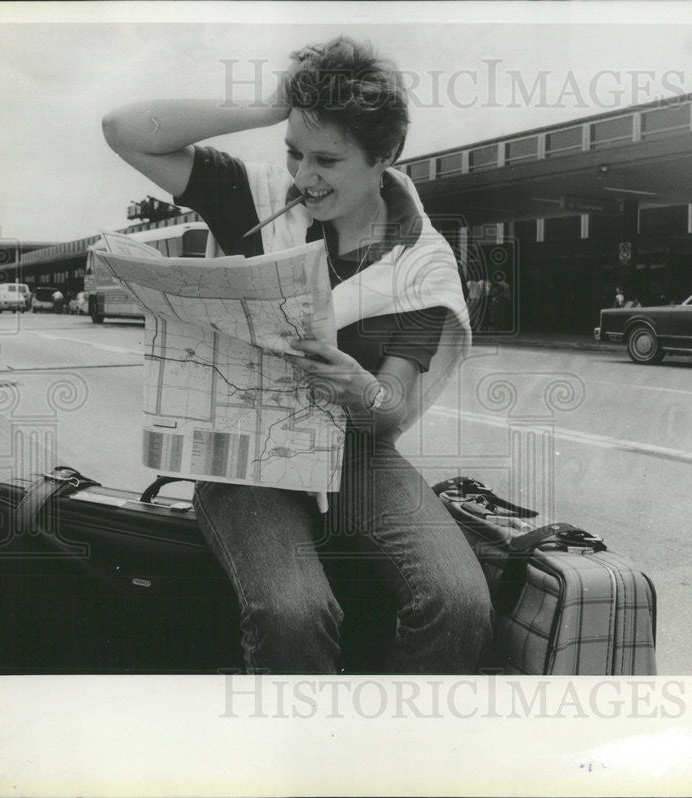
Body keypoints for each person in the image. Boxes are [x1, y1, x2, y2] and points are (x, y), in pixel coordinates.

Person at [102, 36, 491, 674]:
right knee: (292, 610)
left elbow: (390, 412)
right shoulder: (255, 199)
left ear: (385, 157)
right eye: (294, 153)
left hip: (354, 451)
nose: (303, 178)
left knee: (459, 602)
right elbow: (124, 130)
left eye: (328, 161)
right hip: (242, 453)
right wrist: (270, 107)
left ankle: (398, 757)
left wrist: (362, 387)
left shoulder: (424, 263)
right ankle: (298, 759)